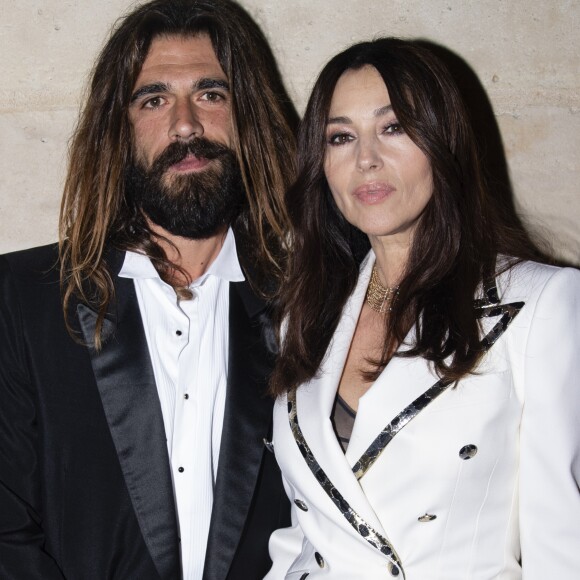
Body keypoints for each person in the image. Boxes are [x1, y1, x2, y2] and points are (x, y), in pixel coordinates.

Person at [0, 1, 296, 578]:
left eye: (211, 94)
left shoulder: (311, 306)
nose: (185, 125)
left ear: (247, 118)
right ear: (119, 127)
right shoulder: (18, 302)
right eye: (154, 99)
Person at [265, 38, 580, 579]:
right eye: (341, 137)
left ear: (443, 142)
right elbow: (304, 536)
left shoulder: (541, 305)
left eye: (394, 128)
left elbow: (562, 548)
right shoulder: (307, 312)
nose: (366, 159)